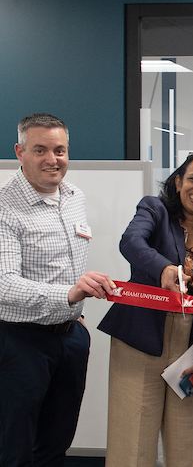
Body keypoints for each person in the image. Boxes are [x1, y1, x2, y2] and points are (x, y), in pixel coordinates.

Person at [97, 152, 193, 466]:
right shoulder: (154, 209)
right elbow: (130, 242)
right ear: (179, 181)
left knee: (187, 442)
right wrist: (163, 270)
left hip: (188, 349)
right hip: (141, 340)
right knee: (134, 440)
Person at [0, 112, 116, 465]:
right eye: (40, 150)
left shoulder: (74, 196)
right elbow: (3, 284)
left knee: (57, 440)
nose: (53, 160)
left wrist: (72, 310)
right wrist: (68, 294)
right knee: (15, 445)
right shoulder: (4, 207)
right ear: (20, 152)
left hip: (69, 338)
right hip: (18, 342)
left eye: (60, 150)